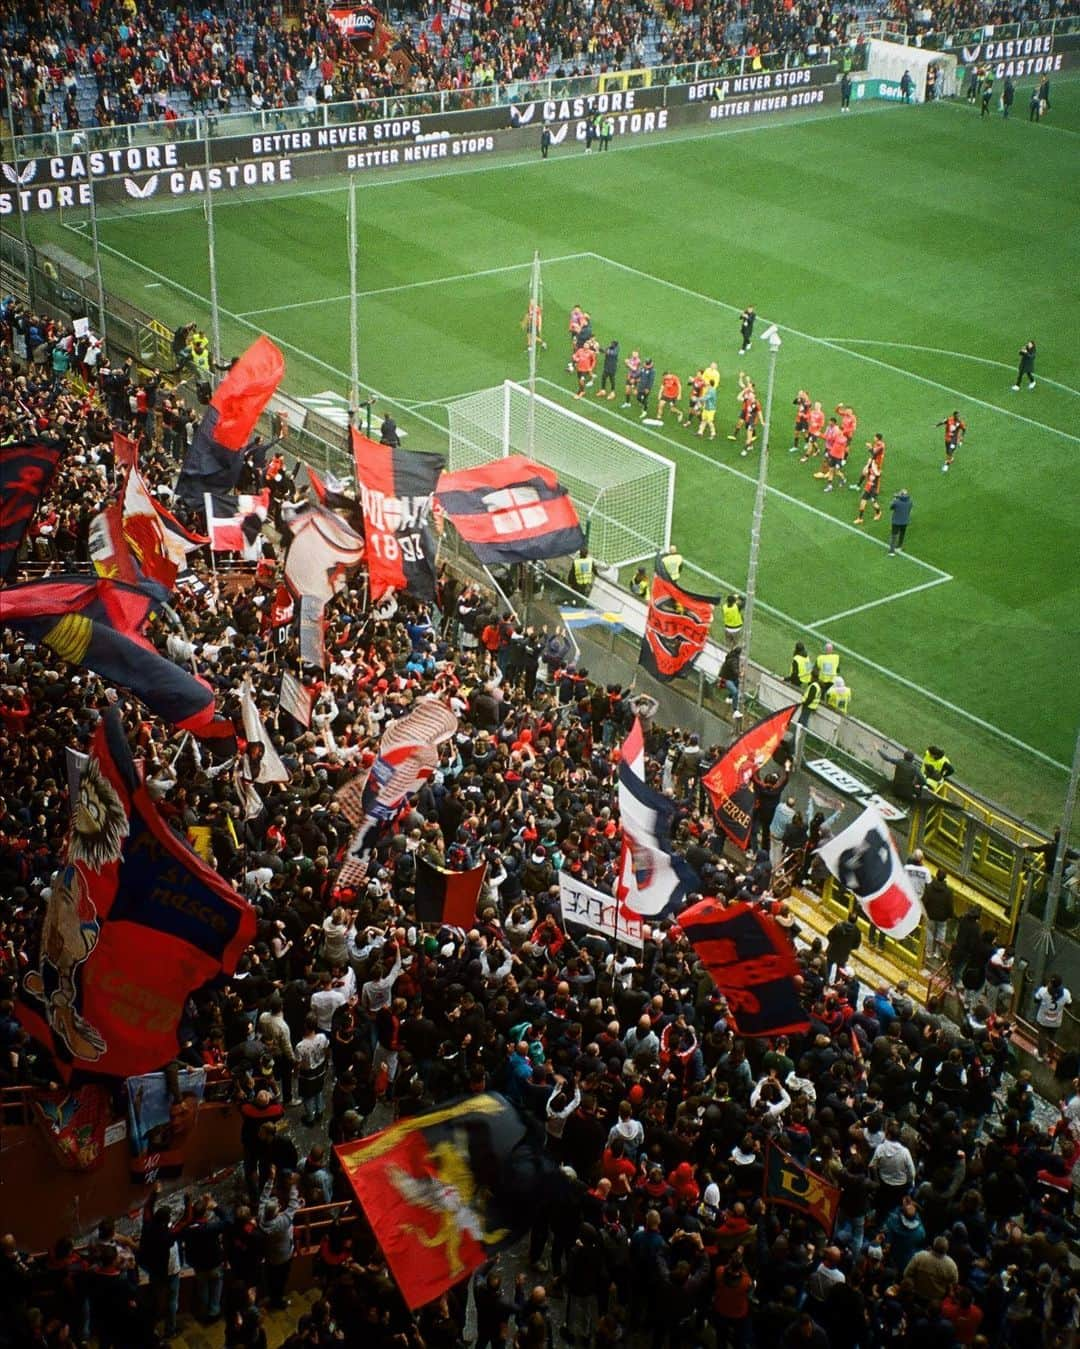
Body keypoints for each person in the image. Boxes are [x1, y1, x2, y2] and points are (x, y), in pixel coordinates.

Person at [1034, 974, 1072, 1060]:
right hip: (1056, 1021)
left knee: (1042, 1037)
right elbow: (1069, 1005)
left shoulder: (1043, 991)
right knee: (1052, 1038)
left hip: (1043, 1020)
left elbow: (1036, 1000)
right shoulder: (1066, 993)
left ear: (1051, 983)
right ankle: (1050, 1055)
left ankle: (1041, 1055)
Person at [922, 868, 954, 961]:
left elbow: (925, 900)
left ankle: (928, 952)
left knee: (930, 933)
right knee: (941, 935)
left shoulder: (929, 887)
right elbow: (950, 906)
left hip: (930, 915)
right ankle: (937, 953)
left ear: (936, 875)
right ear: (945, 878)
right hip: (942, 918)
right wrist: (950, 916)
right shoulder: (948, 891)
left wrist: (925, 912)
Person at [853, 434, 885, 524]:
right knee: (865, 500)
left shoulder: (876, 469)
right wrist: (868, 467)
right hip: (869, 486)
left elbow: (877, 473)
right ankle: (861, 518)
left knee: (872, 501)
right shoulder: (873, 466)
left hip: (873, 487)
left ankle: (877, 513)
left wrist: (870, 448)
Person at [888, 488, 912, 554]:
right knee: (902, 534)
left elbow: (891, 507)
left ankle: (891, 551)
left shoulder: (896, 502)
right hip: (905, 521)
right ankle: (899, 547)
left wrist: (895, 499)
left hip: (896, 521)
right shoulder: (910, 502)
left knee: (894, 536)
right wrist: (898, 497)